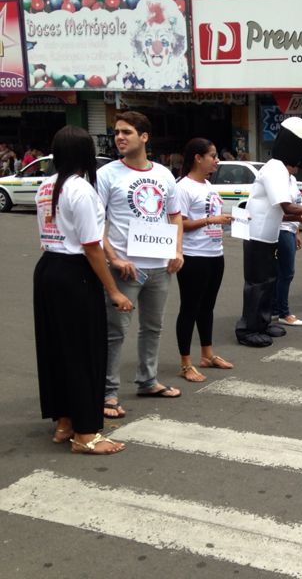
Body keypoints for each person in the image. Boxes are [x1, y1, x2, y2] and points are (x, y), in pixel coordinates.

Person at [34, 126, 131, 454]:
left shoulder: (46, 186)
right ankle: (86, 434)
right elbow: (92, 248)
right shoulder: (82, 190)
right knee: (84, 352)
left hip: (48, 269)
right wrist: (113, 290)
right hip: (74, 273)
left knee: (57, 349)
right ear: (85, 155)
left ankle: (64, 422)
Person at [98, 111, 184, 419]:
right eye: (117, 132)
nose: (119, 137)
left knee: (153, 328)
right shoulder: (107, 174)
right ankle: (108, 393)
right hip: (125, 268)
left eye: (127, 132)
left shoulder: (162, 174)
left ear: (144, 137)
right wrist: (114, 258)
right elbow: (97, 224)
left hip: (160, 266)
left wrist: (178, 250)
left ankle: (148, 380)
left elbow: (174, 215)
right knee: (115, 332)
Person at [235, 117, 302, 347]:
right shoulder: (274, 169)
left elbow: (281, 211)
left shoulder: (280, 169)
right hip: (257, 235)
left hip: (268, 235)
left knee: (268, 281)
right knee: (256, 284)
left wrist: (297, 216)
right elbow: (286, 206)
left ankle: (263, 322)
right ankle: (247, 330)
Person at [174, 138, 233, 384]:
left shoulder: (208, 185)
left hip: (214, 254)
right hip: (193, 256)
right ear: (198, 158)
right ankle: (185, 363)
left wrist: (225, 220)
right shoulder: (183, 187)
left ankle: (207, 354)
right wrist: (211, 221)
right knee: (190, 308)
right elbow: (180, 223)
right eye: (212, 156)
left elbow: (212, 216)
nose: (216, 161)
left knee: (207, 307)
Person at [273, 153, 302, 328]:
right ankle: (283, 312)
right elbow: (284, 209)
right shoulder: (280, 180)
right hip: (281, 229)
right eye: (295, 164)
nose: (298, 167)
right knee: (286, 273)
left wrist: (297, 232)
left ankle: (276, 309)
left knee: (282, 273)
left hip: (290, 229)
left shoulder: (292, 180)